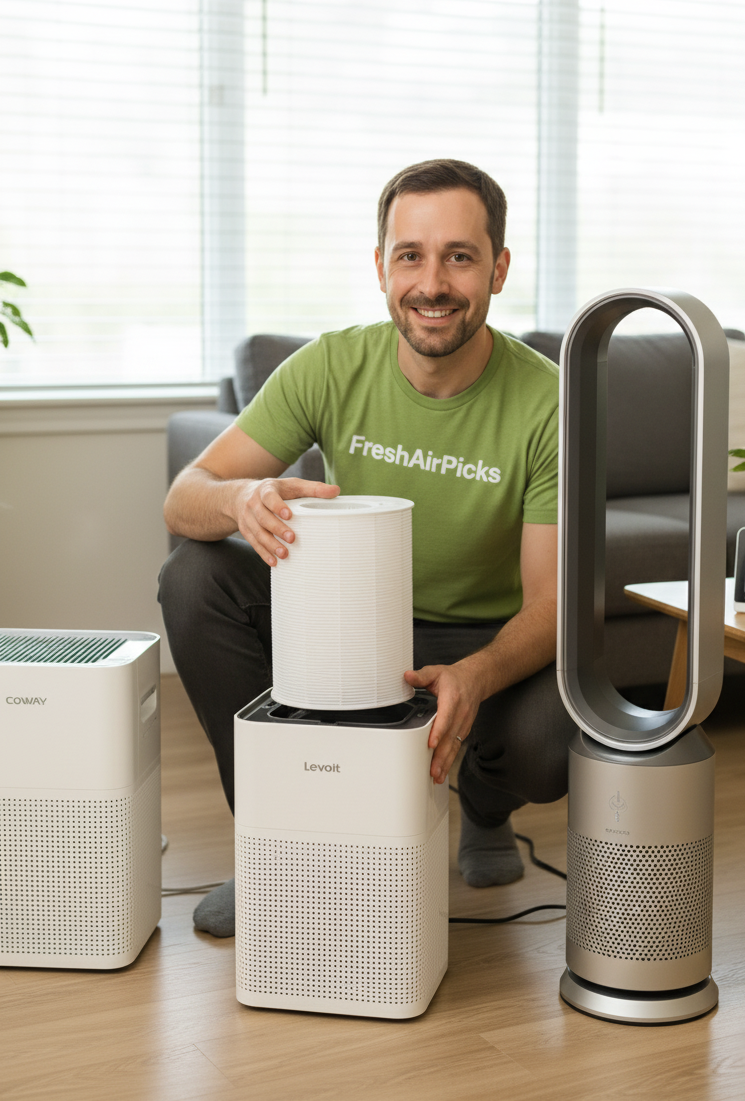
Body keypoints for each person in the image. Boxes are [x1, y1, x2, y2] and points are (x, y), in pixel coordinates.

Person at [159, 158, 575, 937]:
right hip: (351, 623)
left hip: (483, 637)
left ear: (499, 268)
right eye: (410, 255)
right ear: (381, 266)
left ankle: (484, 808)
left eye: (459, 255)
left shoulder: (550, 399)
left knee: (553, 739)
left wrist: (477, 674)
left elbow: (551, 601)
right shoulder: (329, 365)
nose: (432, 283)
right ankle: (275, 845)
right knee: (192, 577)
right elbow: (185, 495)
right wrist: (239, 498)